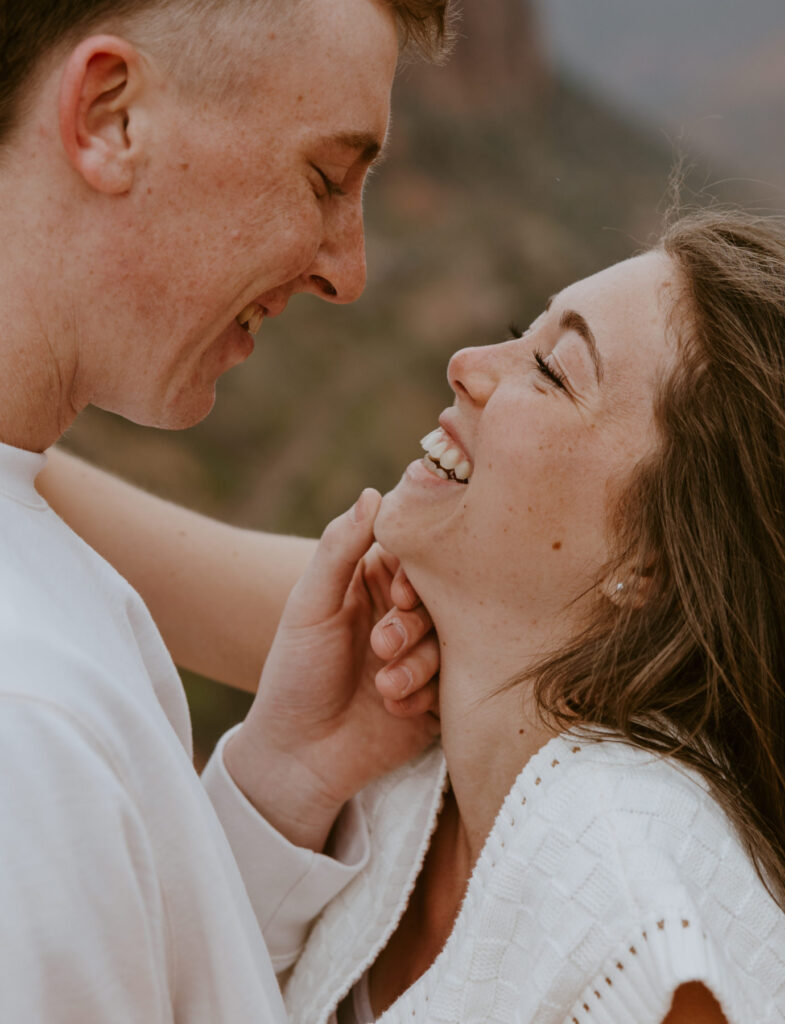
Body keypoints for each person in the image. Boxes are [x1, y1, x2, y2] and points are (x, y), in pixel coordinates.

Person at [46, 209, 785, 1023]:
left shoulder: (632, 911)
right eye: (524, 331)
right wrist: (285, 775)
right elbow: (53, 512)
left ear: (655, 564)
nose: (469, 362)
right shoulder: (427, 721)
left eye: (553, 371)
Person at [0, 0, 451, 1020]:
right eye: (325, 179)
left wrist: (284, 776)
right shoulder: (25, 716)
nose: (349, 269)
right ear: (110, 115)